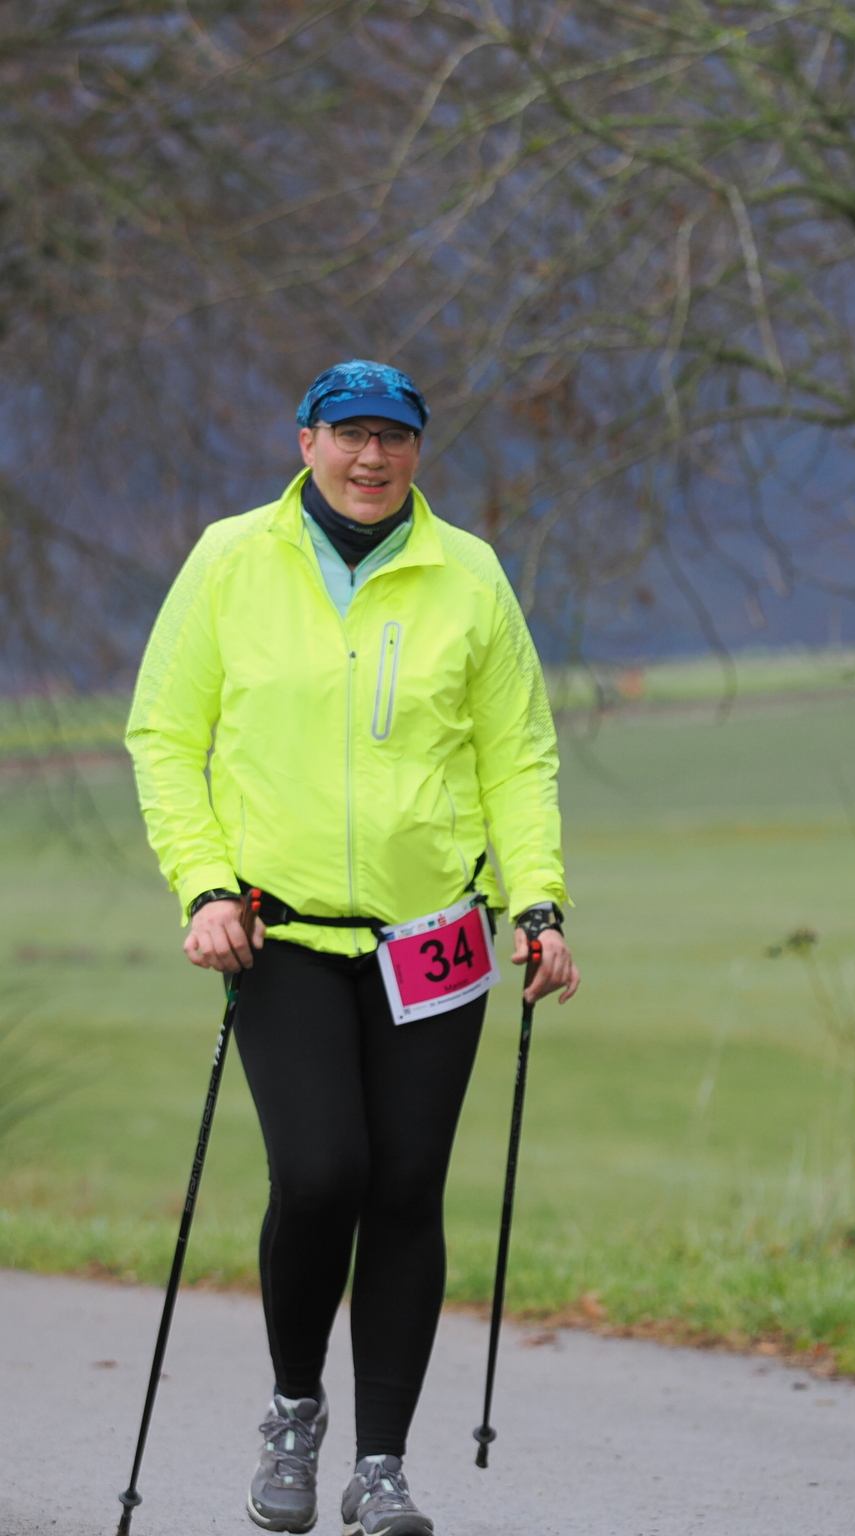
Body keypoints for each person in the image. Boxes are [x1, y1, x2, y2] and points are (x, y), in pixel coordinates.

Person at [125, 360, 580, 1536]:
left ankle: (381, 1467)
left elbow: (517, 755)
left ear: (418, 450)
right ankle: (294, 1408)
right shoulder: (231, 559)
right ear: (306, 442)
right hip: (276, 930)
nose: (371, 458)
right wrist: (204, 886)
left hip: (435, 938)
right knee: (321, 1172)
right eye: (348, 435)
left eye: (394, 437)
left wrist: (538, 905)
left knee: (407, 1187)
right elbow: (165, 735)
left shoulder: (468, 573)